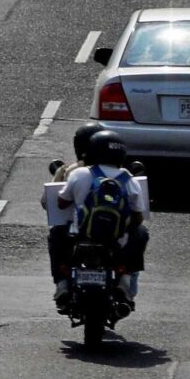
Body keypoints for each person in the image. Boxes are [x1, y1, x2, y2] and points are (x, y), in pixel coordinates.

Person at [47, 123, 151, 303]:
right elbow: (138, 217)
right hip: (115, 239)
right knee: (141, 233)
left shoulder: (79, 174)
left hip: (81, 234)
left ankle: (62, 283)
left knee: (55, 234)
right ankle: (125, 281)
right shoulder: (129, 179)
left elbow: (61, 204)